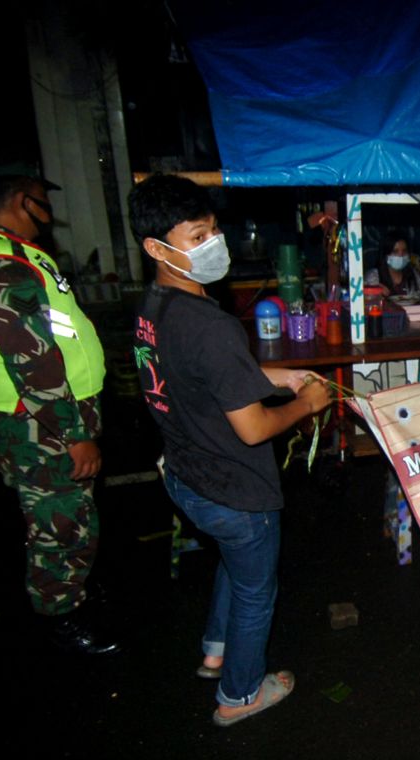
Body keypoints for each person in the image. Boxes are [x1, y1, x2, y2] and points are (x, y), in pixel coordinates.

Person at [128, 174, 332, 726]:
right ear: (156, 246)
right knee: (255, 593)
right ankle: (238, 697)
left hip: (185, 476)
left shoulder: (154, 308)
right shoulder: (211, 326)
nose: (214, 244)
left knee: (233, 565)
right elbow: (253, 429)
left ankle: (215, 650)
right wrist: (307, 404)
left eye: (214, 230)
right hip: (235, 490)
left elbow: (203, 377)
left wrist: (278, 375)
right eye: (198, 237)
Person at [0, 174, 119, 655]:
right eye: (44, 203)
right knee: (59, 519)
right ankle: (61, 614)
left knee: (72, 512)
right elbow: (31, 358)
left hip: (46, 412)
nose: (50, 215)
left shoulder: (6, 250)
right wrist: (73, 434)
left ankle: (73, 587)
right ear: (23, 201)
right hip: (36, 419)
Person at [365, 230, 420, 299]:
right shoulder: (373, 276)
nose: (400, 255)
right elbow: (368, 301)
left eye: (404, 251)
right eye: (395, 251)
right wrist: (376, 291)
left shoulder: (414, 275)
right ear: (385, 254)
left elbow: (419, 300)